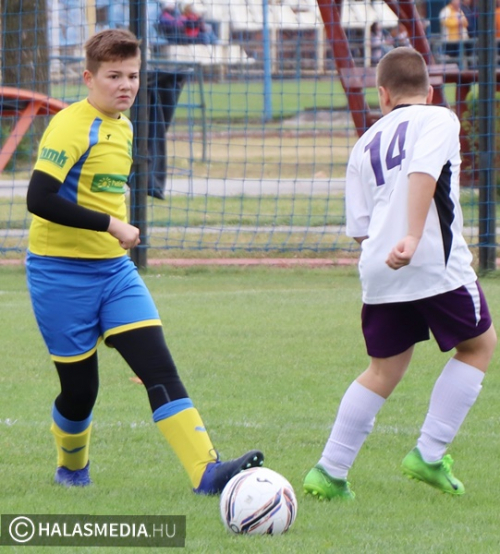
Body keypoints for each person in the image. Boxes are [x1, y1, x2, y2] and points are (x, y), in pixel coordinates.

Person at [25, 28, 263, 492]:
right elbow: (39, 198)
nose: (126, 85)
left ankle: (207, 472)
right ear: (89, 78)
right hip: (59, 274)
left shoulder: (125, 125)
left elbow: (101, 186)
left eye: (132, 75)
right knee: (80, 392)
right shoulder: (71, 125)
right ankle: (71, 468)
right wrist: (112, 225)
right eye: (113, 76)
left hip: (114, 274)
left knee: (158, 368)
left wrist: (114, 219)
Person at [303, 47, 496, 500]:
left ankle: (329, 471)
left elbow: (360, 228)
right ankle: (429, 454)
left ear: (383, 95)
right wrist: (411, 236)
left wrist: (390, 248)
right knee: (478, 345)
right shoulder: (439, 118)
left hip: (379, 267)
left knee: (382, 370)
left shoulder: (365, 142)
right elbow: (423, 173)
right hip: (431, 260)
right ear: (428, 92)